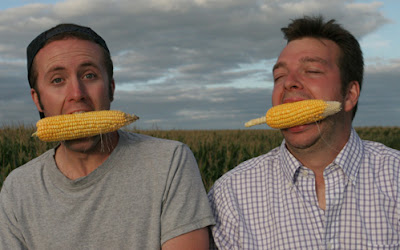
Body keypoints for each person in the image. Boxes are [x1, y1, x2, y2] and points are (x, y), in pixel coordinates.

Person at [0, 23, 215, 249]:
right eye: (57, 80)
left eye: (89, 75)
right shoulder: (19, 188)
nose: (77, 94)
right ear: (37, 100)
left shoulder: (169, 161)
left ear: (111, 88)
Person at [208, 15, 400, 249]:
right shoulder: (230, 195)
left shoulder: (395, 178)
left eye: (311, 70)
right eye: (279, 76)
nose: (289, 83)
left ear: (349, 95)